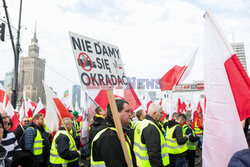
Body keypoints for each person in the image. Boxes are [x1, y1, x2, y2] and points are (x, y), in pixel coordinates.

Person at [90, 99, 137, 167]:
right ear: (114, 113)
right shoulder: (110, 136)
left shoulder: (116, 132)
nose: (130, 114)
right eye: (127, 111)